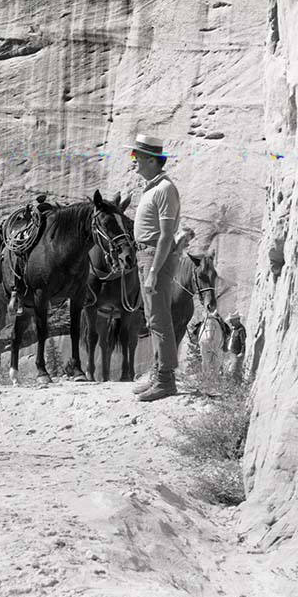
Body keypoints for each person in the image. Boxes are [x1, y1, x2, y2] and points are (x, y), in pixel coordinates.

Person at [126, 133, 182, 402]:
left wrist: (153, 271)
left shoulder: (164, 189)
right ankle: (158, 372)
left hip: (153, 257)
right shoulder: (152, 187)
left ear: (151, 160)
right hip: (144, 256)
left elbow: (165, 235)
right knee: (153, 319)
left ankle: (166, 380)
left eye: (137, 156)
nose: (133, 160)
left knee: (160, 319)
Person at [227, 312, 246, 382]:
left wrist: (242, 352)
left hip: (236, 353)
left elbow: (243, 342)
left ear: (237, 320)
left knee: (235, 371)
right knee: (231, 370)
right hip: (232, 352)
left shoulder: (241, 330)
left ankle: (237, 385)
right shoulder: (234, 329)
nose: (230, 322)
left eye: (231, 321)